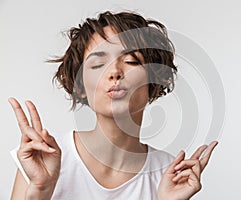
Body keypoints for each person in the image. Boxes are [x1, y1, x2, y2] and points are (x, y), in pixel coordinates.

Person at [8, 11, 218, 200]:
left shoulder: (169, 173)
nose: (115, 72)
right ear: (80, 86)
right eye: (98, 64)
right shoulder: (43, 157)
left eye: (131, 61)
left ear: (152, 81)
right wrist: (40, 191)